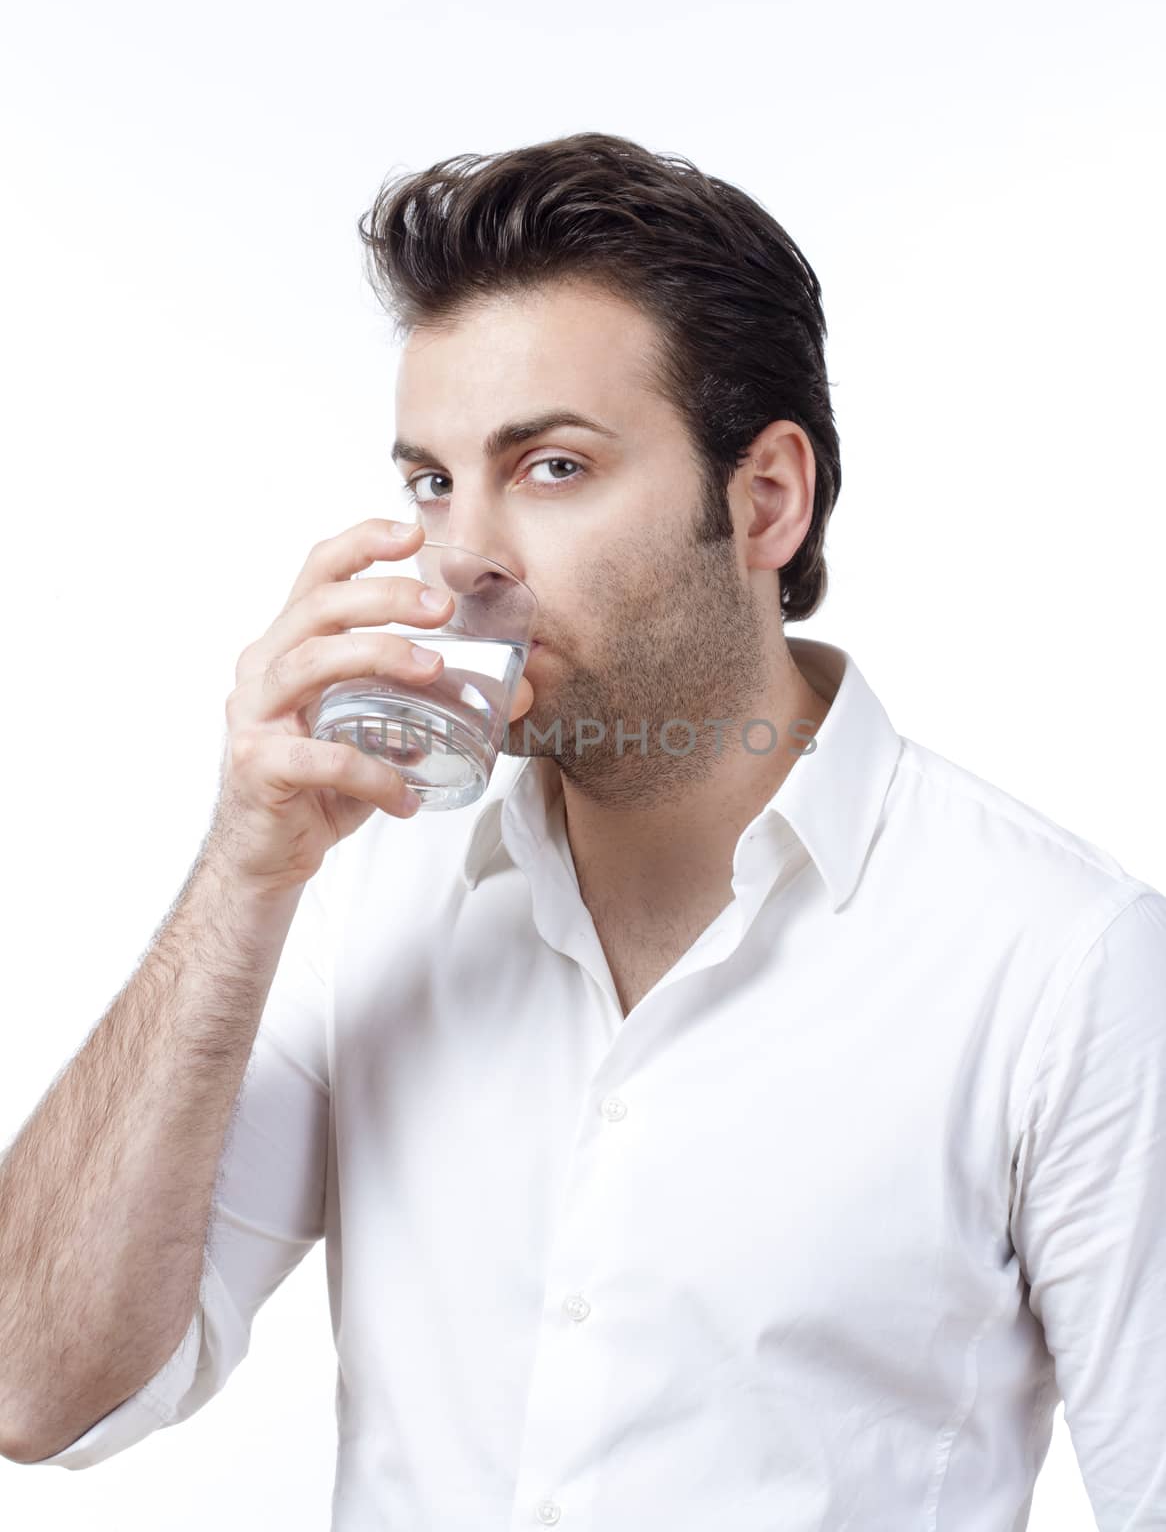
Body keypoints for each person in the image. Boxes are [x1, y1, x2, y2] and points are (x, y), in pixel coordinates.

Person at [2, 130, 1163, 1530]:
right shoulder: (363, 894)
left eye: (548, 468)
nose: (460, 554)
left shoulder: (1058, 963)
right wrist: (242, 871)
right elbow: (35, 1390)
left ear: (764, 499)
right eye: (431, 480)